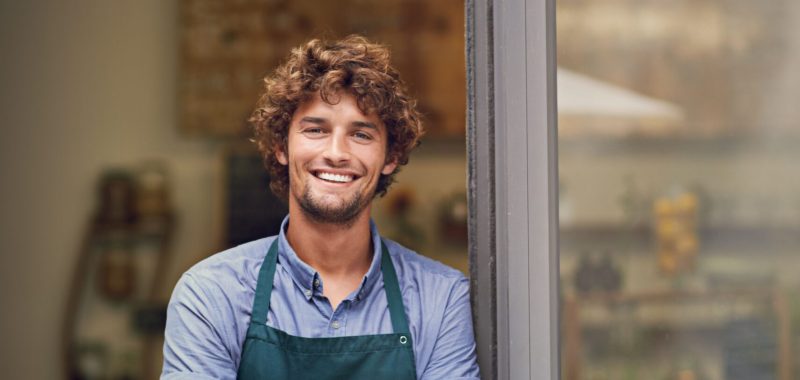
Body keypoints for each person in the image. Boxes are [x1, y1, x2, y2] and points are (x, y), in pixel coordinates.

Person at [161, 35, 480, 379]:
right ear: (282, 147)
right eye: (316, 129)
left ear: (390, 156)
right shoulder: (212, 294)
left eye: (361, 135)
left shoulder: (441, 298)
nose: (336, 152)